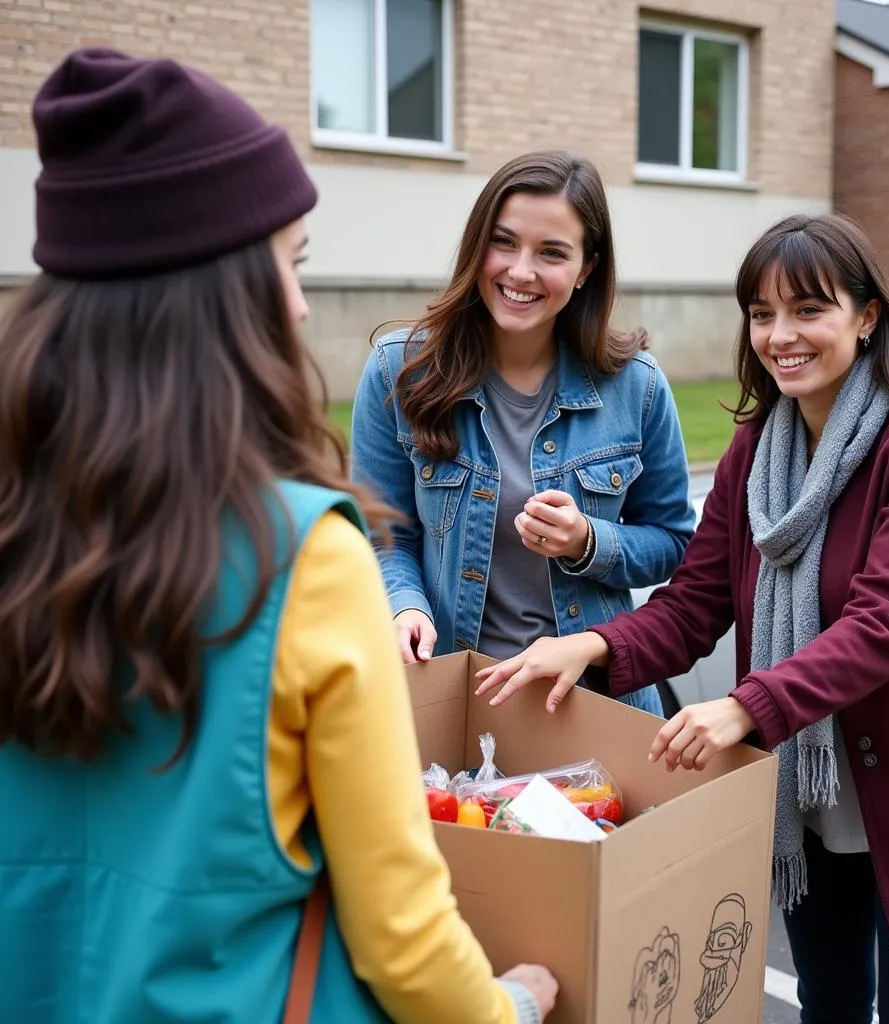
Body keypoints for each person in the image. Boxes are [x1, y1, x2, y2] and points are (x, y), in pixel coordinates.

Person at [0, 47, 557, 1024]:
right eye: (288, 265)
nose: (299, 305)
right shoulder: (304, 553)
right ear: (209, 293)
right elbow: (402, 931)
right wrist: (509, 1006)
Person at [476, 213, 889, 1024]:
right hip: (806, 806)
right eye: (762, 314)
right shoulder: (754, 451)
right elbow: (696, 605)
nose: (781, 334)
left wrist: (745, 707)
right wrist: (587, 644)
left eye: (808, 309)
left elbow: (885, 624)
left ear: (866, 317)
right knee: (828, 1008)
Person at [351, 150, 695, 717]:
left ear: (586, 268)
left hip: (594, 702)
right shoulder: (398, 372)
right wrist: (403, 607)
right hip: (451, 701)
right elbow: (381, 535)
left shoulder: (638, 386)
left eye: (552, 253)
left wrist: (589, 541)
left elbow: (673, 543)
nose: (520, 271)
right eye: (503, 242)